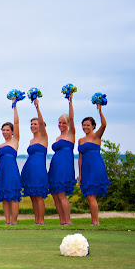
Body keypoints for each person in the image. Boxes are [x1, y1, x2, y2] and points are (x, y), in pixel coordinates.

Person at [78, 104, 110, 225]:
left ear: (93, 126)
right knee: (89, 195)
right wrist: (80, 174)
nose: (85, 127)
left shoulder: (97, 136)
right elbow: (80, 158)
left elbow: (105, 125)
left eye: (88, 125)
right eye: (84, 125)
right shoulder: (81, 140)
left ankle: (95, 222)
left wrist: (100, 110)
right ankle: (95, 221)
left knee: (91, 195)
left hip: (96, 167)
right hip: (86, 169)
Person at [48, 93, 76, 225]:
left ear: (68, 123)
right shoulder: (57, 138)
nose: (61, 124)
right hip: (55, 166)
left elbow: (72, 116)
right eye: (59, 122)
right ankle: (61, 221)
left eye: (64, 122)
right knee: (55, 195)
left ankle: (68, 221)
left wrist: (70, 100)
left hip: (65, 167)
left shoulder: (71, 134)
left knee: (62, 195)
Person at [20, 99, 49, 224]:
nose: (33, 126)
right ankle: (36, 220)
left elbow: (41, 123)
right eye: (31, 124)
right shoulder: (31, 141)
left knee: (39, 195)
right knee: (32, 195)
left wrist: (37, 107)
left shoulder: (43, 137)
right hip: (29, 169)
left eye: (35, 124)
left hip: (39, 170)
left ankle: (41, 220)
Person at [0, 105, 22, 225]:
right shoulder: (1, 145)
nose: (5, 132)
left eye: (7, 130)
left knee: (13, 196)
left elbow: (16, 123)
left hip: (11, 171)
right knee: (4, 197)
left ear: (12, 132)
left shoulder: (15, 141)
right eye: (3, 130)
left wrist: (14, 107)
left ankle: (14, 221)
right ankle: (7, 221)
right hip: (2, 172)